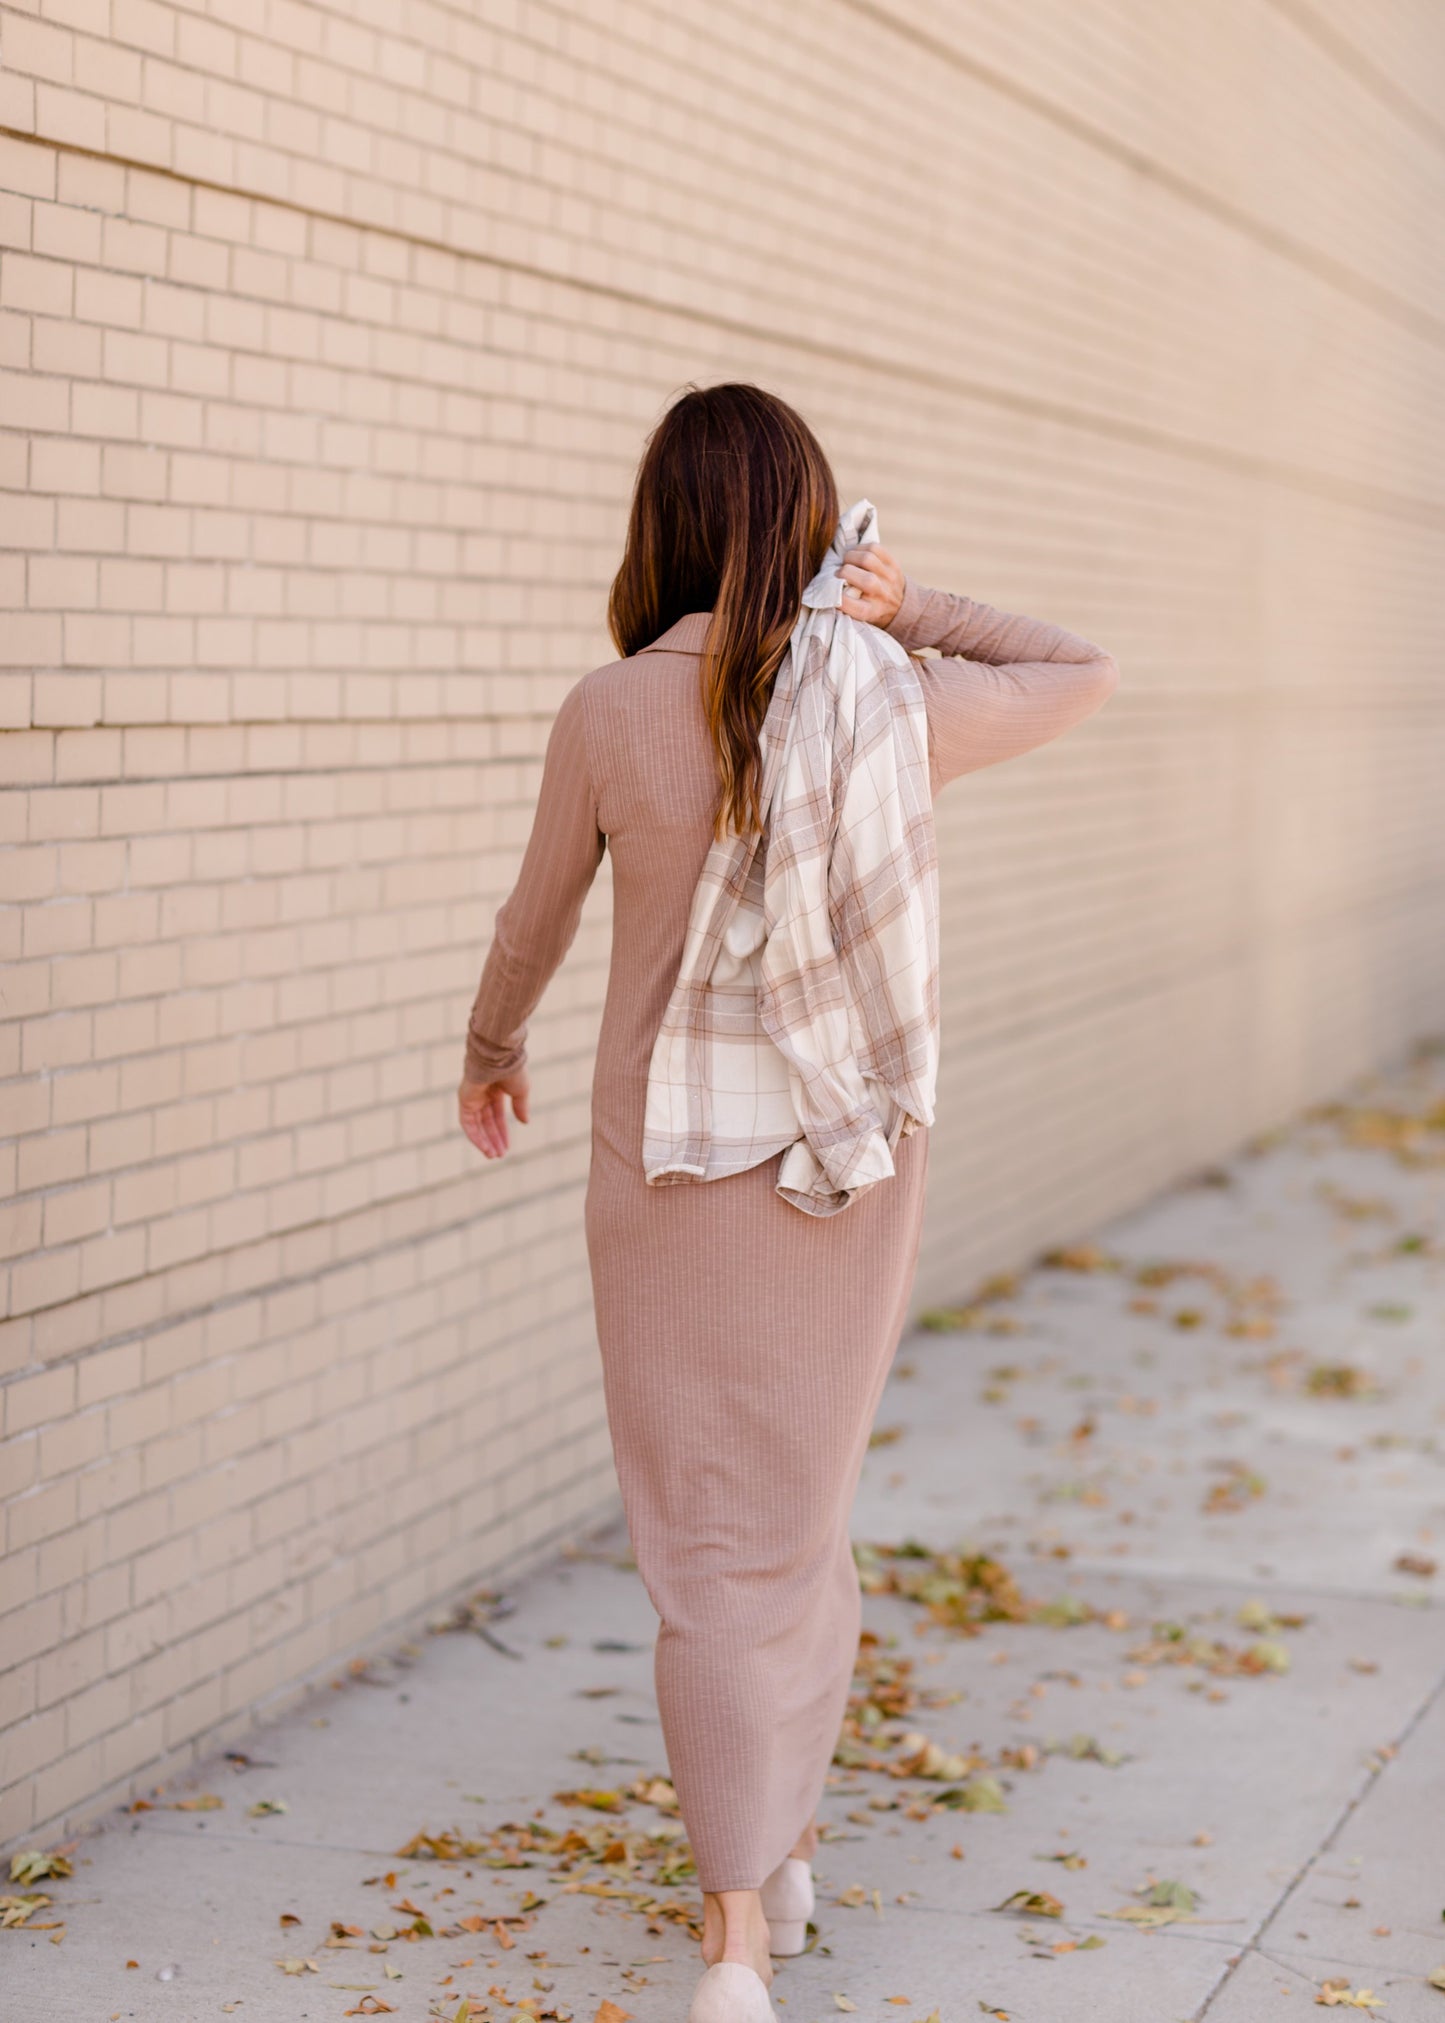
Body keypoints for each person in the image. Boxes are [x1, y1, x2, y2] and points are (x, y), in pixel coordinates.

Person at [458, 382, 1120, 2023]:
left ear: (662, 524)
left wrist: (489, 1048)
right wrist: (916, 602)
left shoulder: (609, 710)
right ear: (811, 525)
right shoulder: (883, 698)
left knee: (705, 1548)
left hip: (665, 1171)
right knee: (797, 1517)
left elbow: (532, 919)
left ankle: (735, 1930)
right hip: (846, 1159)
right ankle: (779, 1857)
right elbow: (1071, 670)